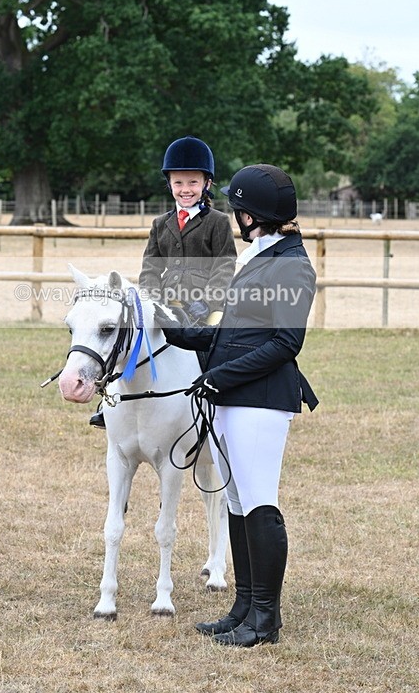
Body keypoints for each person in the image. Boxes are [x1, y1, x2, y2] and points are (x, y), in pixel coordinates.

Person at [154, 163, 319, 647]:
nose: (233, 215)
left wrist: (217, 377)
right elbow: (234, 332)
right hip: (234, 397)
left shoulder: (291, 264)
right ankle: (243, 608)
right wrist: (170, 329)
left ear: (253, 214)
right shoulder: (263, 256)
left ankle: (265, 620)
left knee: (260, 504)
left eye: (238, 208)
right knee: (237, 502)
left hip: (261, 401)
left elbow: (286, 342)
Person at [89, 135, 237, 428]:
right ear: (169, 184)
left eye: (193, 182)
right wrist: (149, 300)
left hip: (205, 304)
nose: (185, 190)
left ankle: (217, 402)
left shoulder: (218, 222)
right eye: (179, 183)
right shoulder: (160, 224)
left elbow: (225, 266)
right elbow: (150, 268)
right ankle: (109, 405)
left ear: (206, 184)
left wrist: (207, 302)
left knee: (214, 342)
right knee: (130, 341)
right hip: (166, 302)